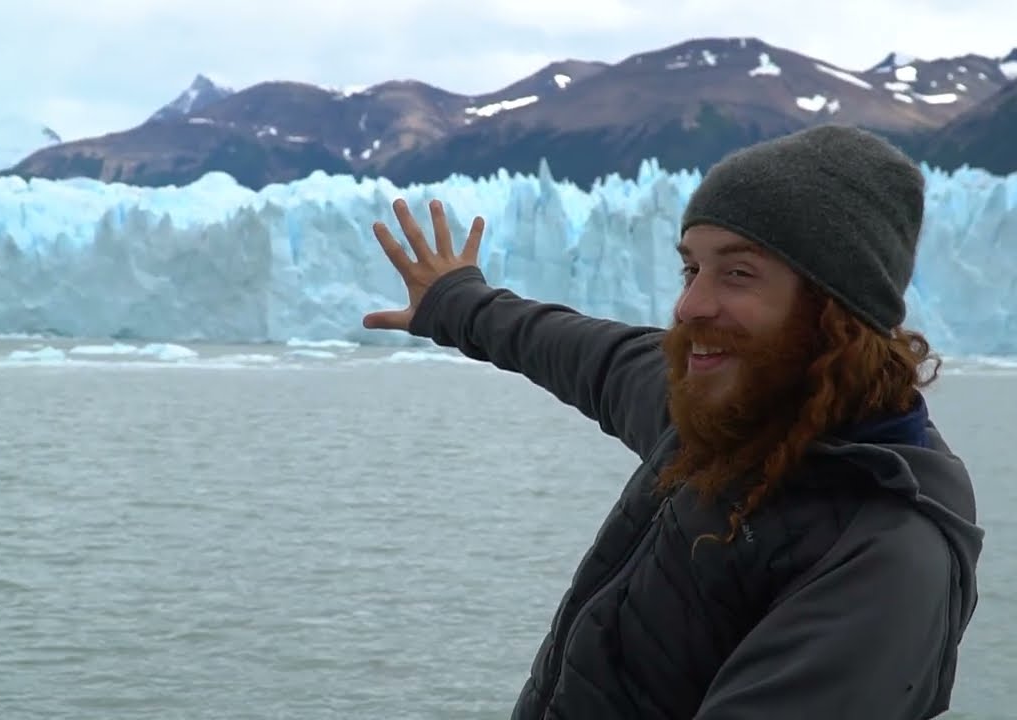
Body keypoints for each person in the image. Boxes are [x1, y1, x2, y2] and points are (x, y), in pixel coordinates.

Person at [362, 124, 984, 720]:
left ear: (836, 308)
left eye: (737, 273)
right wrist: (458, 303)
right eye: (691, 268)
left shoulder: (882, 556)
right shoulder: (720, 409)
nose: (690, 305)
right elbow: (588, 355)